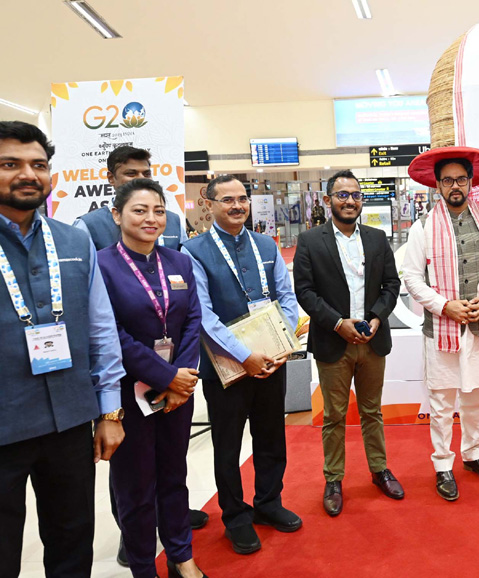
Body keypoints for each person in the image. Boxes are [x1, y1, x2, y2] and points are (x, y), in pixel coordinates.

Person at [0, 121, 126, 577]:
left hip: (69, 421)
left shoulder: (73, 240)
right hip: (5, 423)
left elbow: (100, 328)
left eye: (38, 164)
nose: (27, 174)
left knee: (72, 543)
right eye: (10, 164)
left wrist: (109, 412)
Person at [73, 145, 205, 568]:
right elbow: (111, 333)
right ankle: (143, 566)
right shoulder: (101, 265)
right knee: (136, 486)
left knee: (175, 477)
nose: (151, 219)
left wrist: (181, 377)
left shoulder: (179, 261)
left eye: (159, 211)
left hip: (177, 394)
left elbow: (192, 320)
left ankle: (182, 558)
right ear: (116, 215)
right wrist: (166, 376)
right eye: (139, 210)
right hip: (129, 395)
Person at [182, 175, 301, 555]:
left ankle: (268, 502)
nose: (237, 206)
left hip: (272, 362)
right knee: (228, 445)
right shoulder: (193, 251)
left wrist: (282, 344)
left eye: (242, 199)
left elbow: (286, 297)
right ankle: (235, 516)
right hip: (226, 368)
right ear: (209, 205)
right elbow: (203, 315)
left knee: (271, 437)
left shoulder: (266, 244)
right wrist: (244, 356)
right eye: (227, 200)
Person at [403, 147, 479, 501]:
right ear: (437, 185)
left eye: (461, 179)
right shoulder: (423, 227)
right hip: (442, 328)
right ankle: (442, 464)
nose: (455, 186)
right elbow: (411, 277)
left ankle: (474, 453)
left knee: (475, 397)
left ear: (470, 182)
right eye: (447, 180)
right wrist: (444, 306)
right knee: (441, 402)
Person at [294, 170, 404, 516]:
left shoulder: (377, 238)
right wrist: (338, 323)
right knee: (334, 415)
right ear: (328, 200)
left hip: (372, 339)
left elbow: (391, 284)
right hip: (333, 341)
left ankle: (379, 470)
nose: (350, 201)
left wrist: (376, 318)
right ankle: (333, 478)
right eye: (342, 195)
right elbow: (305, 292)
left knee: (372, 411)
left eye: (356, 195)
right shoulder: (310, 241)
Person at [74, 145, 188, 251]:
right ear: (111, 178)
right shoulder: (88, 225)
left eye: (146, 174)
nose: (141, 179)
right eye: (131, 174)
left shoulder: (173, 221)